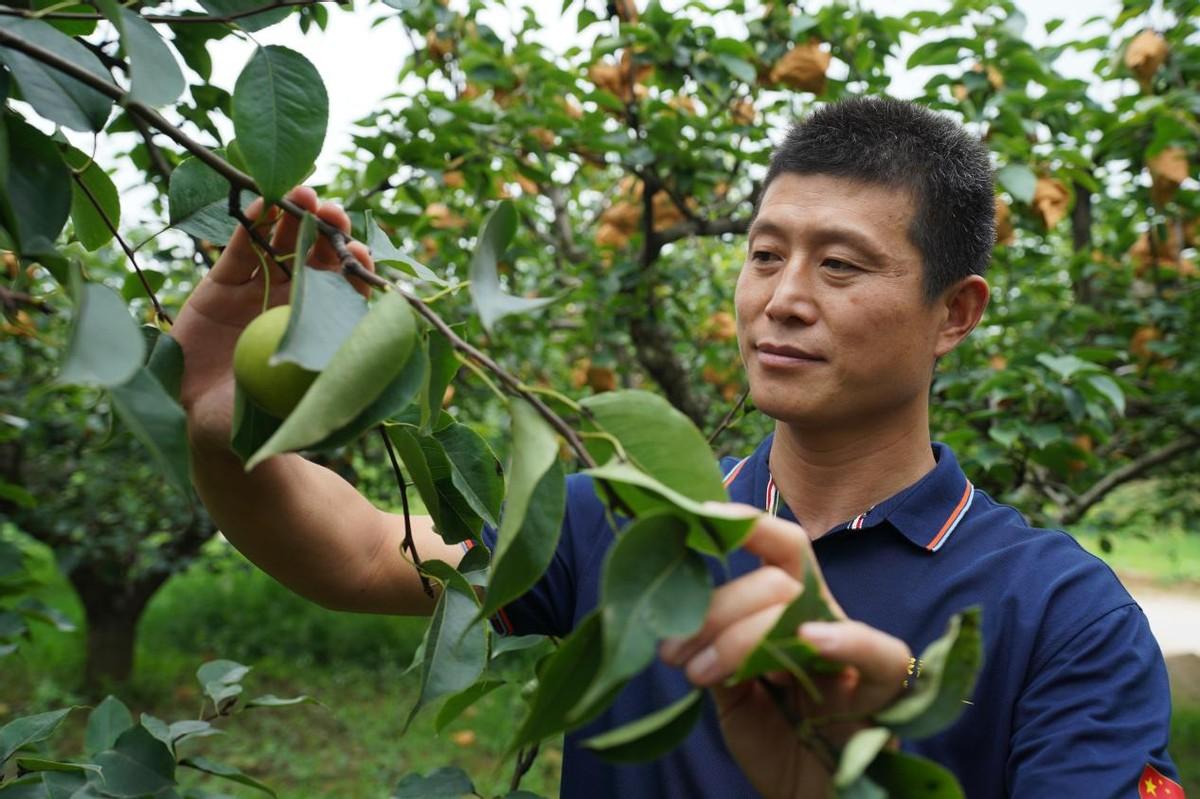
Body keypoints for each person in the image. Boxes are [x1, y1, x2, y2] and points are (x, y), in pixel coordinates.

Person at [173, 96, 1181, 798]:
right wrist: (230, 430)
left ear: (954, 313)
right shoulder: (627, 515)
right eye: (764, 255)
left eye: (840, 265)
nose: (782, 299)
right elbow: (357, 550)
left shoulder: (1062, 613)